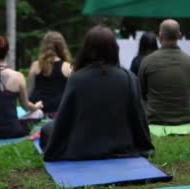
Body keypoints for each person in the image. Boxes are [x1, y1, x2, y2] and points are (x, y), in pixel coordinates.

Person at [41, 25, 154, 161]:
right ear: (114, 48)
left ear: (86, 49)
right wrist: (144, 146)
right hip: (122, 145)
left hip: (82, 148)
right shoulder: (129, 78)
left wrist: (53, 149)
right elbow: (138, 118)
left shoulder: (77, 79)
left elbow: (64, 120)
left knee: (47, 129)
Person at [0, 35, 43, 139]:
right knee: (38, 113)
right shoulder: (18, 76)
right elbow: (25, 106)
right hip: (12, 130)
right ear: (7, 52)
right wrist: (37, 106)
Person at [138, 19, 190, 125]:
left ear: (160, 35)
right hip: (187, 117)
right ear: (179, 35)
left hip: (154, 118)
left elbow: (140, 92)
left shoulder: (148, 61)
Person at [27, 31, 73, 115]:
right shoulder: (68, 67)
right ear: (62, 47)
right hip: (58, 113)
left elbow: (28, 93)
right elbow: (71, 95)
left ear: (44, 46)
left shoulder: (35, 65)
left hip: (37, 111)